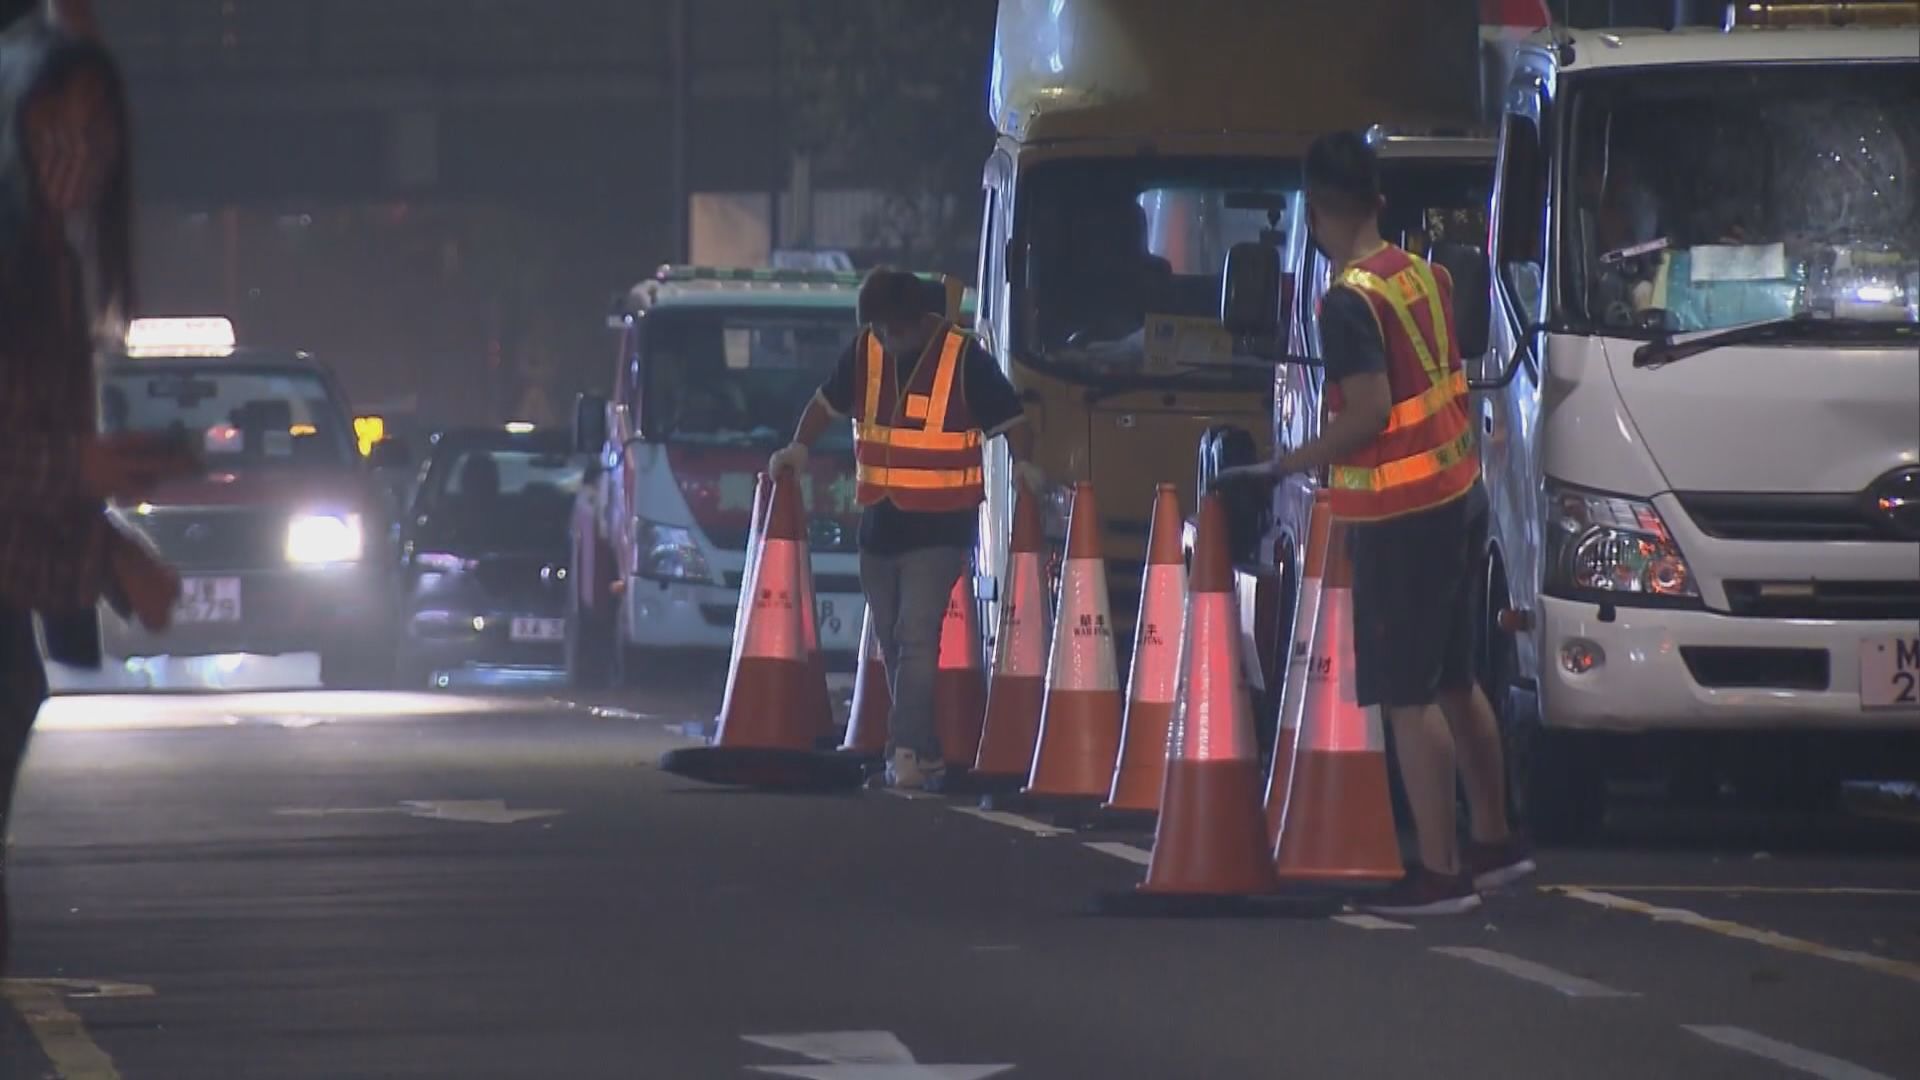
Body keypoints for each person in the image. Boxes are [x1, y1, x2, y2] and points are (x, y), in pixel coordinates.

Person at [1216, 131, 1533, 916]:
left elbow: (1366, 412)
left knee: (1406, 694)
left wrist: (1285, 464)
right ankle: (1492, 843)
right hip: (1460, 496)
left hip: (1403, 515)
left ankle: (1440, 871)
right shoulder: (1420, 275)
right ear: (1379, 201)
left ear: (1319, 210)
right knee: (1458, 681)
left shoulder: (1346, 299)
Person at [0, 0, 191, 974]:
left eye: (99, 133)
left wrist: (108, 545)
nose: (83, 155)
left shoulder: (50, 266)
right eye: (56, 129)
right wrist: (85, 487)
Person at [770, 269, 1041, 790]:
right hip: (879, 525)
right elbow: (825, 403)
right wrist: (798, 446)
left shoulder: (963, 359)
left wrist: (1026, 464)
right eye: (877, 328)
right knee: (895, 644)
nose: (884, 338)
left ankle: (905, 750)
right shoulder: (865, 350)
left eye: (892, 328)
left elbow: (1011, 421)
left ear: (918, 321)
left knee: (916, 636)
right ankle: (928, 750)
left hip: (940, 527)